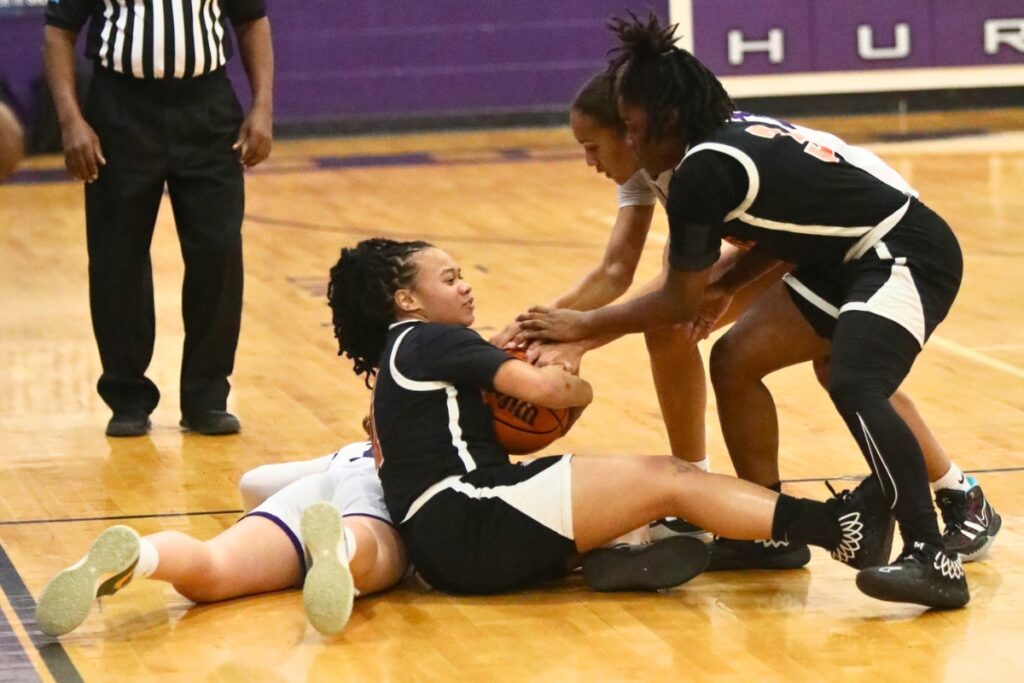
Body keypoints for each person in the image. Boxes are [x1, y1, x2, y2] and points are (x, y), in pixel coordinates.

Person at [518, 13, 972, 608]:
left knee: (856, 381)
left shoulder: (704, 169)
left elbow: (678, 299)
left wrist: (584, 328)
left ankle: (932, 554)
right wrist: (729, 287)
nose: (626, 141)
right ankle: (771, 533)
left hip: (900, 250)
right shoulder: (706, 152)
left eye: (630, 127)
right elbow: (784, 230)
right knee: (734, 360)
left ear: (666, 119)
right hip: (838, 259)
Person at [325, 237, 894, 598]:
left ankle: (614, 550)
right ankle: (835, 529)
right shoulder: (434, 341)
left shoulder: (393, 363)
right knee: (671, 479)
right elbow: (547, 393)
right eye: (449, 279)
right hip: (471, 514)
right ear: (407, 301)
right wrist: (576, 379)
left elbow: (500, 436)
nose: (466, 285)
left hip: (446, 546)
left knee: (633, 502)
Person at [43, 0, 275, 436]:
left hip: (206, 108)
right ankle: (127, 396)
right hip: (120, 109)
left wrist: (262, 106)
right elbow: (58, 31)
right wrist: (71, 120)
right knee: (117, 258)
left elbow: (251, 21)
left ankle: (207, 397)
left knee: (219, 254)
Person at [36, 441, 408, 637]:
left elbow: (255, 481)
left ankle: (143, 555)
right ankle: (342, 547)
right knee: (371, 551)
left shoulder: (350, 452)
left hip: (309, 493)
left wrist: (259, 520)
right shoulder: (425, 458)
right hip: (379, 494)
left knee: (213, 567)